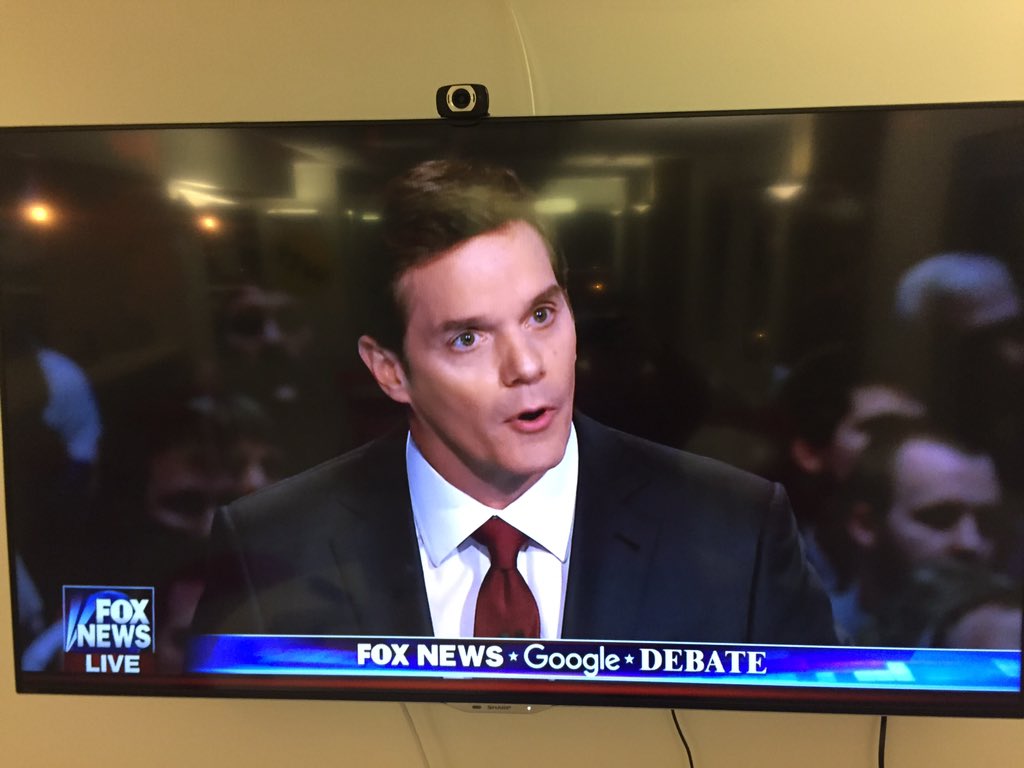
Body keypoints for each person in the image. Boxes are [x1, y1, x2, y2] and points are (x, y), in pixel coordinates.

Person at [191, 159, 836, 644]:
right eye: (468, 338)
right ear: (390, 371)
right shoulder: (269, 546)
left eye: (541, 315)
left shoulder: (737, 532)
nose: (528, 366)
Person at [832, 427, 1014, 645]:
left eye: (988, 522)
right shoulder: (812, 632)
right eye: (939, 517)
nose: (970, 543)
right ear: (866, 525)